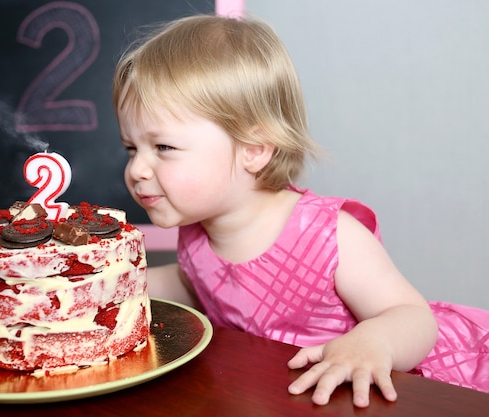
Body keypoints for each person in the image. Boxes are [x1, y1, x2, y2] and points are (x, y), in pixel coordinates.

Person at [112, 14, 489, 407]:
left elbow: (412, 316)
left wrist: (372, 342)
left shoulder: (328, 234)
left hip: (384, 391)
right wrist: (101, 282)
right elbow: (195, 284)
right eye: (131, 148)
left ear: (253, 150)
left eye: (163, 148)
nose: (137, 169)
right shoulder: (198, 230)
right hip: (276, 396)